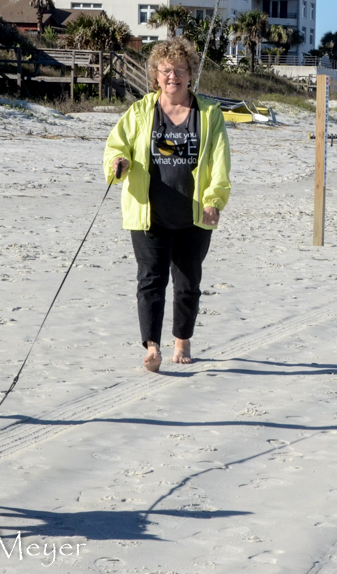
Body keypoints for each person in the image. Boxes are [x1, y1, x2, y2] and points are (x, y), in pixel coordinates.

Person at [103, 38, 231, 371]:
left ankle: (182, 339)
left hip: (194, 215)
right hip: (148, 214)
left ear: (190, 75)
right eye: (165, 70)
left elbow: (219, 162)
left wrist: (214, 201)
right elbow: (116, 147)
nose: (172, 76)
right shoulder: (141, 111)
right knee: (150, 280)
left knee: (188, 285)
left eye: (179, 70)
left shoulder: (209, 114)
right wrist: (118, 163)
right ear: (156, 76)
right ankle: (152, 347)